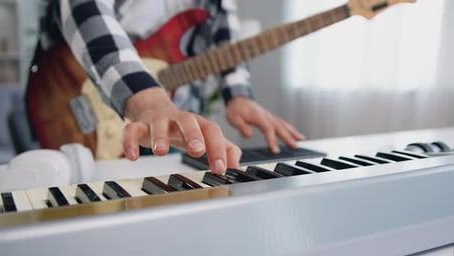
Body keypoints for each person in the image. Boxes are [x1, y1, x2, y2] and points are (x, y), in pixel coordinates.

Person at [35, 0, 305, 174]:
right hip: (70, 98)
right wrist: (149, 101)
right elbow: (86, 9)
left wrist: (238, 95)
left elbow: (224, 30)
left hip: (175, 120)